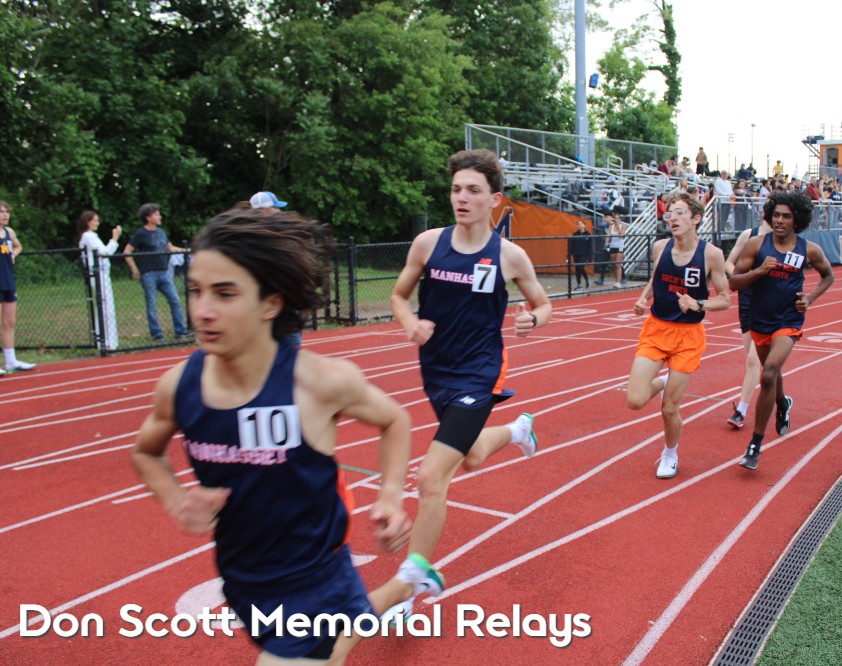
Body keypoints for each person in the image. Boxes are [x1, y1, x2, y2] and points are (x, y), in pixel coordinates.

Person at [131, 208, 442, 665]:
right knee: (333, 651)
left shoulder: (317, 382)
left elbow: (394, 420)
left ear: (270, 304)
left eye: (225, 294)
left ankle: (397, 587)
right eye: (195, 291)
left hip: (316, 579)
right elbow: (146, 452)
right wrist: (175, 500)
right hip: (244, 579)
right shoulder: (179, 386)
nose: (203, 310)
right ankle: (404, 585)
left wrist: (391, 497)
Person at [388, 148, 552, 615]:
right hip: (436, 369)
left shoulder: (509, 256)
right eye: (457, 189)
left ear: (494, 200)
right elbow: (399, 296)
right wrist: (410, 323)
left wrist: (532, 320)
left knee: (432, 476)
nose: (462, 198)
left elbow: (543, 304)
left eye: (473, 190)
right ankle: (517, 431)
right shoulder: (428, 244)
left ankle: (408, 588)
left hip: (480, 372)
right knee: (473, 456)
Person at [729, 191, 835, 470]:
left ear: (796, 220)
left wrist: (809, 299)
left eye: (786, 216)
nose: (779, 221)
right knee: (771, 374)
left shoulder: (808, 249)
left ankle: (755, 444)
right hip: (760, 320)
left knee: (768, 374)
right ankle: (782, 402)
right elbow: (733, 283)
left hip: (789, 320)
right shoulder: (756, 245)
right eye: (776, 215)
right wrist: (758, 272)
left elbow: (828, 276)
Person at [628, 193, 730, 479]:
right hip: (656, 329)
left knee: (669, 409)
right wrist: (643, 297)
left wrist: (699, 304)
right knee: (634, 400)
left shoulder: (711, 254)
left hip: (688, 336)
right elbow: (656, 277)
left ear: (696, 218)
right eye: (670, 213)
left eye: (680, 212)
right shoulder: (660, 247)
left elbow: (724, 299)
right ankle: (664, 381)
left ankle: (670, 454)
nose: (672, 218)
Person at [724, 213, 773, 429]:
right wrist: (745, 275)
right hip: (747, 299)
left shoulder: (783, 240)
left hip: (770, 302)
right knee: (756, 360)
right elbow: (729, 263)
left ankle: (741, 411)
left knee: (754, 360)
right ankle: (781, 398)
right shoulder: (748, 235)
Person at [124, 204, 189, 341]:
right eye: (156, 214)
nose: (160, 217)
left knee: (175, 300)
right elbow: (127, 252)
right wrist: (135, 270)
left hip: (164, 272)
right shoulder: (140, 234)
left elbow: (170, 248)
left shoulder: (161, 232)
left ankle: (180, 331)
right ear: (148, 218)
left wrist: (187, 250)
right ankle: (156, 334)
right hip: (149, 274)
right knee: (152, 305)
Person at [248, 191, 302, 347]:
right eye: (275, 207)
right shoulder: (257, 236)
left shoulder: (277, 232)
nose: (279, 211)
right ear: (265, 210)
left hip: (277, 299)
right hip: (275, 300)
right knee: (290, 347)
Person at [76, 211, 123, 350]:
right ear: (88, 222)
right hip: (98, 274)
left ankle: (105, 339)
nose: (98, 223)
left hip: (102, 274)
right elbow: (104, 252)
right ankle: (106, 341)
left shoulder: (91, 236)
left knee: (105, 306)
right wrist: (115, 238)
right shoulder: (88, 236)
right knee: (106, 306)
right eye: (95, 220)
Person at [0, 200, 36, 373]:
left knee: (9, 321)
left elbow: (18, 245)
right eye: (1, 212)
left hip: (8, 281)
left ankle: (10, 361)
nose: (5, 215)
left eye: (7, 212)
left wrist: (13, 254)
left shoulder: (9, 232)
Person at [569, 219, 593, 290]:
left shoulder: (588, 234)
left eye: (581, 224)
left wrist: (590, 257)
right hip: (576, 254)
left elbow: (590, 246)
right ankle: (579, 284)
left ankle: (587, 280)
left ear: (584, 225)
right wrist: (569, 255)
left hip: (584, 254)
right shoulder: (575, 234)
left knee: (580, 267)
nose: (580, 225)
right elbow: (571, 245)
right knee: (577, 269)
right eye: (578, 224)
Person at [606, 213, 627, 288]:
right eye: (615, 218)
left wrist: (618, 228)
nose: (616, 220)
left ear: (620, 219)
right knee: (614, 265)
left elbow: (621, 235)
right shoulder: (611, 226)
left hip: (620, 247)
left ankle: (618, 282)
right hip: (612, 246)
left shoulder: (622, 226)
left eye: (618, 218)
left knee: (618, 264)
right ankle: (616, 281)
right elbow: (608, 235)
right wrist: (606, 243)